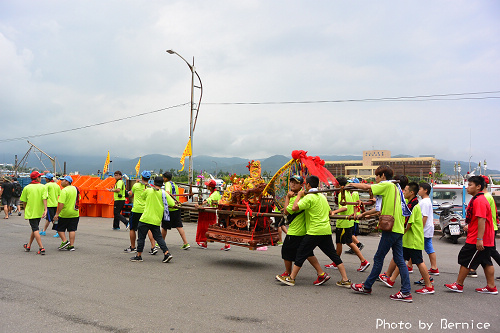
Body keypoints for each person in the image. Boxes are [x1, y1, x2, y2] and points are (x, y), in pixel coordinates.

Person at [350, 165, 413, 302]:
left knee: (379, 258)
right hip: (397, 229)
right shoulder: (395, 188)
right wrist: (365, 214)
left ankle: (367, 286)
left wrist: (352, 184)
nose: (376, 179)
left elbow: (367, 188)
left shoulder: (387, 185)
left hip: (390, 230)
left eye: (377, 176)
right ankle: (406, 291)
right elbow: (379, 209)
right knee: (400, 260)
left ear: (383, 175)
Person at [276, 175, 351, 287]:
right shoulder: (322, 196)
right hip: (325, 230)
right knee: (333, 256)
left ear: (307, 185)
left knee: (301, 253)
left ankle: (291, 278)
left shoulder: (309, 197)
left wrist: (297, 196)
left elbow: (294, 208)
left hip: (314, 230)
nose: (292, 184)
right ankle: (345, 280)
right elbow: (330, 212)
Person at [444, 176, 497, 294]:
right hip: (483, 237)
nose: (468, 187)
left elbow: (482, 220)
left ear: (478, 187)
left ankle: (458, 284)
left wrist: (479, 239)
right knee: (486, 261)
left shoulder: (479, 200)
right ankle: (491, 286)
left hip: (477, 238)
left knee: (466, 259)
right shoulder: (478, 199)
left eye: (470, 185)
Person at [379, 182, 434, 294]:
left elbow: (408, 224)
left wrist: (399, 234)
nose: (404, 192)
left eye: (406, 190)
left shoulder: (413, 206)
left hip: (413, 240)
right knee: (400, 259)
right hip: (409, 240)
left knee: (418, 261)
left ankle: (429, 286)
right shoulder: (410, 203)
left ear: (411, 192)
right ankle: (392, 280)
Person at [325, 176, 370, 272]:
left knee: (340, 243)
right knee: (348, 242)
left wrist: (334, 212)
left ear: (338, 184)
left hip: (343, 223)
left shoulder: (342, 193)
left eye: (335, 182)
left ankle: (338, 263)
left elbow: (344, 207)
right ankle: (363, 261)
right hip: (348, 222)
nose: (334, 184)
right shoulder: (347, 192)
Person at [130, 176, 173, 263]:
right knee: (159, 238)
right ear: (162, 184)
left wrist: (146, 188)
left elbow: (142, 196)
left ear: (154, 182)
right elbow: (172, 203)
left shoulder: (149, 190)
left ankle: (139, 255)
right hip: (156, 220)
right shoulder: (164, 193)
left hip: (145, 218)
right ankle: (166, 253)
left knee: (141, 237)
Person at [124, 170, 156, 254]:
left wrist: (131, 189)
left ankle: (133, 247)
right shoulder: (150, 187)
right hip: (146, 210)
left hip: (136, 210)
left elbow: (130, 194)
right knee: (148, 228)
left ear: (142, 177)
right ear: (149, 178)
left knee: (132, 228)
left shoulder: (136, 185)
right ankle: (153, 246)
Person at [195, 179, 230, 250]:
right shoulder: (215, 193)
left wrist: (200, 204)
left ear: (210, 187)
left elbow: (208, 200)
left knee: (211, 228)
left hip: (212, 213)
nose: (206, 186)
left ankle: (227, 244)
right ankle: (205, 243)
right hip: (213, 212)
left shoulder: (214, 194)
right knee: (210, 228)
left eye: (207, 186)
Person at [20, 171, 48, 255]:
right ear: (37, 178)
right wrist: (45, 209)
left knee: (35, 228)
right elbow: (44, 198)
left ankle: (41, 247)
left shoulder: (27, 188)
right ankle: (28, 246)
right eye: (40, 177)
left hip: (31, 211)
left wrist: (25, 211)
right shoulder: (43, 187)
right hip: (39, 211)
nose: (41, 178)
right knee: (34, 228)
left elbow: (24, 201)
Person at [162, 172, 190, 250]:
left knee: (164, 226)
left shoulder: (167, 184)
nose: (163, 179)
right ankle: (186, 243)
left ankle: (161, 242)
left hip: (170, 208)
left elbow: (167, 193)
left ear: (166, 178)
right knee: (179, 226)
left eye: (164, 178)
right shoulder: (174, 184)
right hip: (176, 207)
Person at [480, 176, 500, 280]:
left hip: (489, 228)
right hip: (492, 226)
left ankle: (471, 269)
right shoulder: (488, 196)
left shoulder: (485, 197)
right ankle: (471, 269)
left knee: (489, 251)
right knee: (488, 251)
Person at [418, 182, 439, 276]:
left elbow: (424, 217)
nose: (418, 190)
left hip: (425, 228)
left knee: (418, 247)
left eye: (420, 189)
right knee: (427, 247)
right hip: (427, 228)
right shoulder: (425, 201)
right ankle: (434, 267)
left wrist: (420, 229)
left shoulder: (425, 202)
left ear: (425, 190)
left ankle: (434, 267)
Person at [54, 176, 80, 251]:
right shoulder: (76, 189)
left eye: (63, 180)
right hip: (75, 212)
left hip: (65, 213)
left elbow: (61, 203)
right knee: (72, 229)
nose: (61, 182)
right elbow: (79, 199)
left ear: (67, 182)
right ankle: (71, 245)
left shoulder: (64, 191)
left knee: (59, 228)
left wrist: (57, 213)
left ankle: (65, 241)